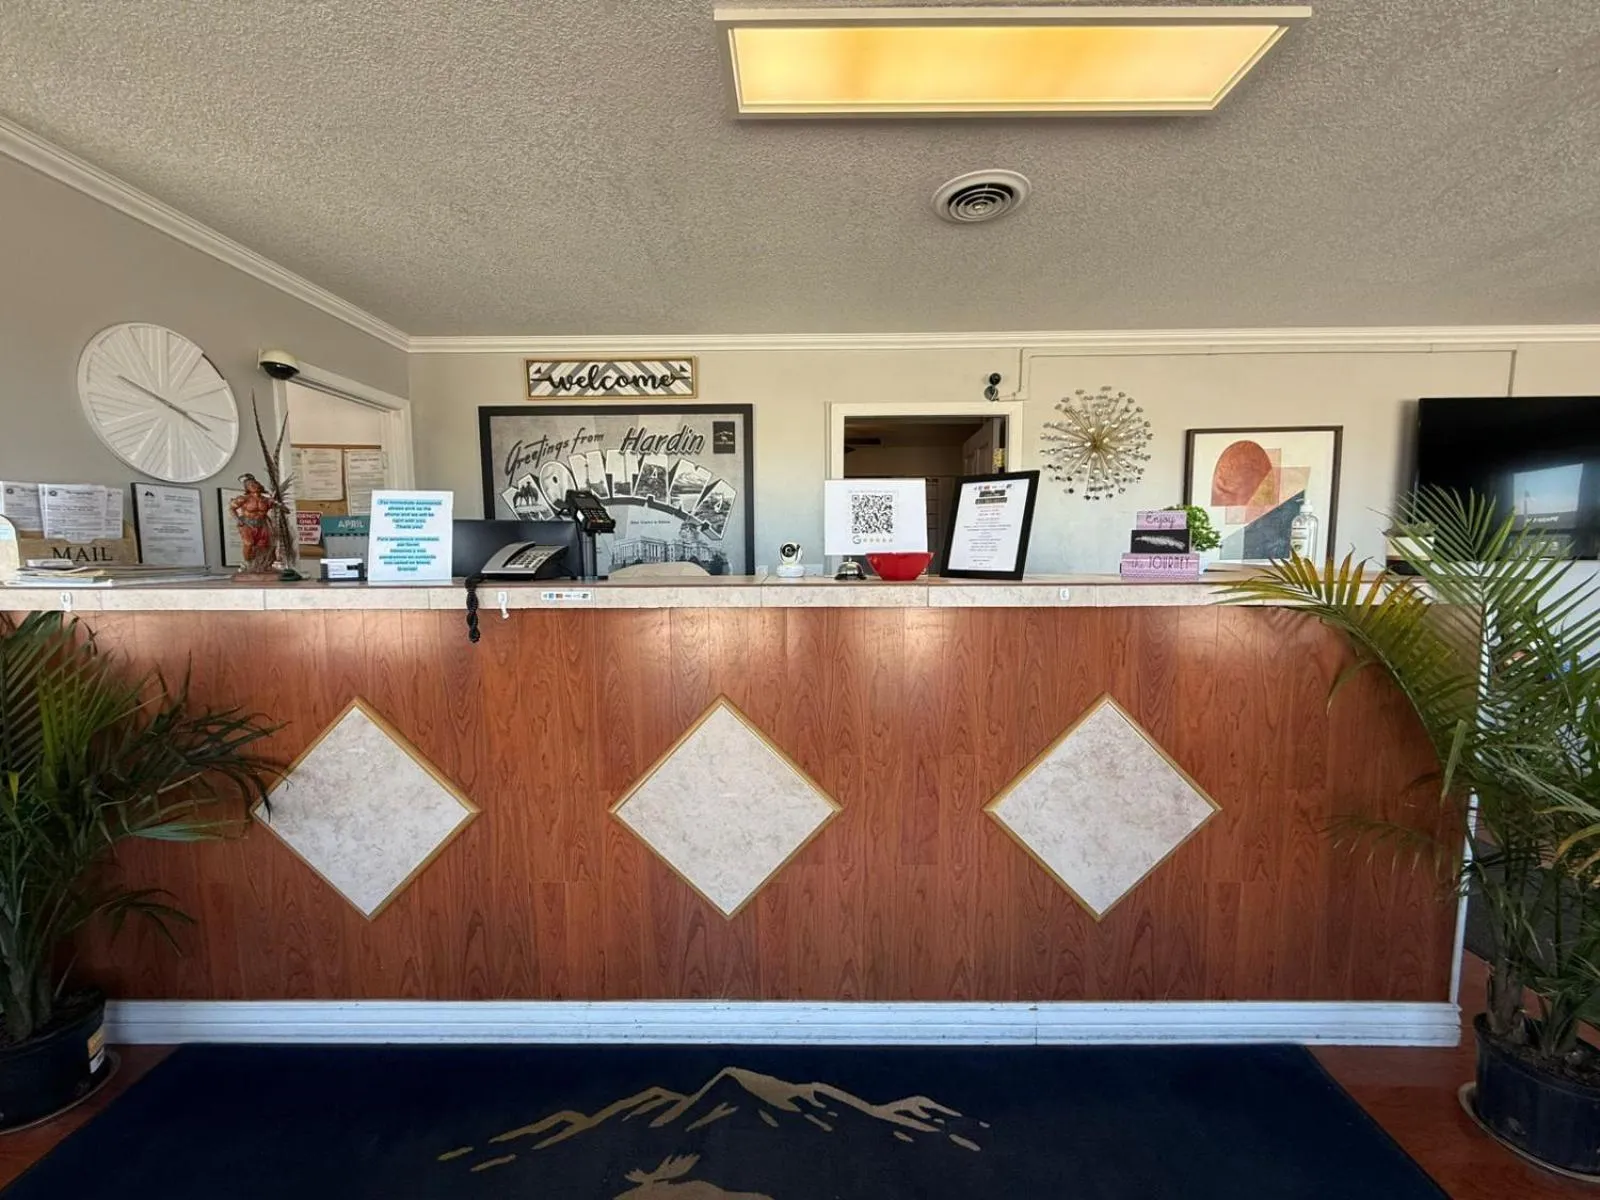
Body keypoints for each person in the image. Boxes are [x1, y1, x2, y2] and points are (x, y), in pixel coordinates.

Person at [229, 474, 275, 571]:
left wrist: (275, 500)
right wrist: (238, 520)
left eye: (254, 484)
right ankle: (247, 563)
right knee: (249, 543)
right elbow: (231, 508)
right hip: (247, 524)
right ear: (247, 488)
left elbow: (282, 509)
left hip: (262, 524)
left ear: (259, 485)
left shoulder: (265, 500)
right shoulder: (243, 499)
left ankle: (259, 564)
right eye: (250, 485)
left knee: (262, 545)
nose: (253, 486)